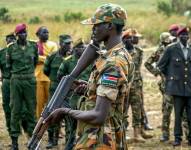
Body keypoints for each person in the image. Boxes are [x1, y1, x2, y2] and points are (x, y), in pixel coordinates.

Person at [43, 3, 134, 149]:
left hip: (100, 139)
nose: (93, 29)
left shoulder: (114, 62)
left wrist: (65, 111)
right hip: (99, 135)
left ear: (110, 26)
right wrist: (89, 88)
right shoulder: (114, 55)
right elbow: (113, 95)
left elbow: (99, 116)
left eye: (97, 25)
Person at [6, 24, 38, 150]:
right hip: (16, 80)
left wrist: (28, 74)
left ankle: (32, 139)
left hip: (30, 79)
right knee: (15, 110)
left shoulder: (33, 46)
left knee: (31, 110)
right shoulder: (11, 48)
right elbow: (8, 66)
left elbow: (34, 62)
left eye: (25, 32)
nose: (23, 35)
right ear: (16, 35)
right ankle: (14, 141)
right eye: (20, 33)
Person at [157, 26, 191, 146]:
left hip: (189, 88)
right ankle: (178, 138)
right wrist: (171, 76)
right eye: (182, 35)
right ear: (178, 36)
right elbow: (160, 65)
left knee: (190, 114)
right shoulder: (171, 49)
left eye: (186, 35)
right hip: (176, 88)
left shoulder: (190, 48)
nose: (185, 37)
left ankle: (190, 138)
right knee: (178, 115)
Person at [57, 38, 92, 149]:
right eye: (80, 48)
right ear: (75, 49)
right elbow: (60, 77)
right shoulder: (67, 61)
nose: (82, 49)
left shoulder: (91, 61)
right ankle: (69, 145)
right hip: (72, 98)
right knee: (70, 126)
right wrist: (71, 87)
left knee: (85, 124)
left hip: (87, 97)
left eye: (83, 47)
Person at [122, 29, 153, 143]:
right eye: (127, 38)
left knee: (137, 109)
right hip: (124, 86)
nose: (130, 40)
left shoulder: (139, 51)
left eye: (131, 38)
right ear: (123, 40)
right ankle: (122, 133)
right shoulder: (120, 53)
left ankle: (138, 133)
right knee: (123, 110)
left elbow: (138, 68)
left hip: (136, 84)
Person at [43, 34, 73, 149]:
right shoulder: (52, 57)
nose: (69, 45)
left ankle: (69, 141)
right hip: (55, 90)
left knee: (68, 116)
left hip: (68, 92)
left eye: (70, 43)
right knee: (51, 115)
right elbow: (46, 71)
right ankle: (52, 140)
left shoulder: (72, 57)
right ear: (60, 44)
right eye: (66, 43)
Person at [145, 32, 175, 142]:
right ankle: (165, 134)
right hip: (166, 85)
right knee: (166, 110)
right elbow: (147, 63)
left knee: (181, 111)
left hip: (176, 84)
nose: (171, 40)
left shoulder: (175, 49)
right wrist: (156, 72)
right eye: (169, 39)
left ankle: (183, 134)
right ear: (164, 40)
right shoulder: (160, 51)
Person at [35, 26, 58, 119]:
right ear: (38, 35)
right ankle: (39, 122)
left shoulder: (53, 45)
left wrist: (40, 58)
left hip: (49, 77)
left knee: (51, 102)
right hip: (38, 77)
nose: (47, 34)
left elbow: (53, 59)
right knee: (39, 103)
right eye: (44, 32)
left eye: (47, 32)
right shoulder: (34, 45)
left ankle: (51, 121)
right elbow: (33, 58)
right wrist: (46, 58)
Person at [0, 33, 16, 137]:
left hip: (19, 82)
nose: (11, 41)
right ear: (6, 41)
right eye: (9, 39)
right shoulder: (1, 53)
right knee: (7, 106)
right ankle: (11, 130)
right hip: (6, 82)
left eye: (13, 39)